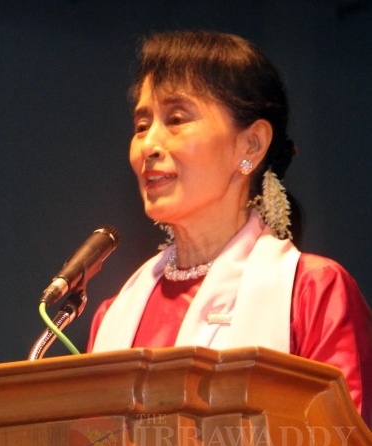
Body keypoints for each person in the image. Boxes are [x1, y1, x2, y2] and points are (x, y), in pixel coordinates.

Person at [86, 31, 372, 424]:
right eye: (141, 125)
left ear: (251, 145)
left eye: (176, 119)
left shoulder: (310, 294)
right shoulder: (114, 315)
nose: (148, 145)